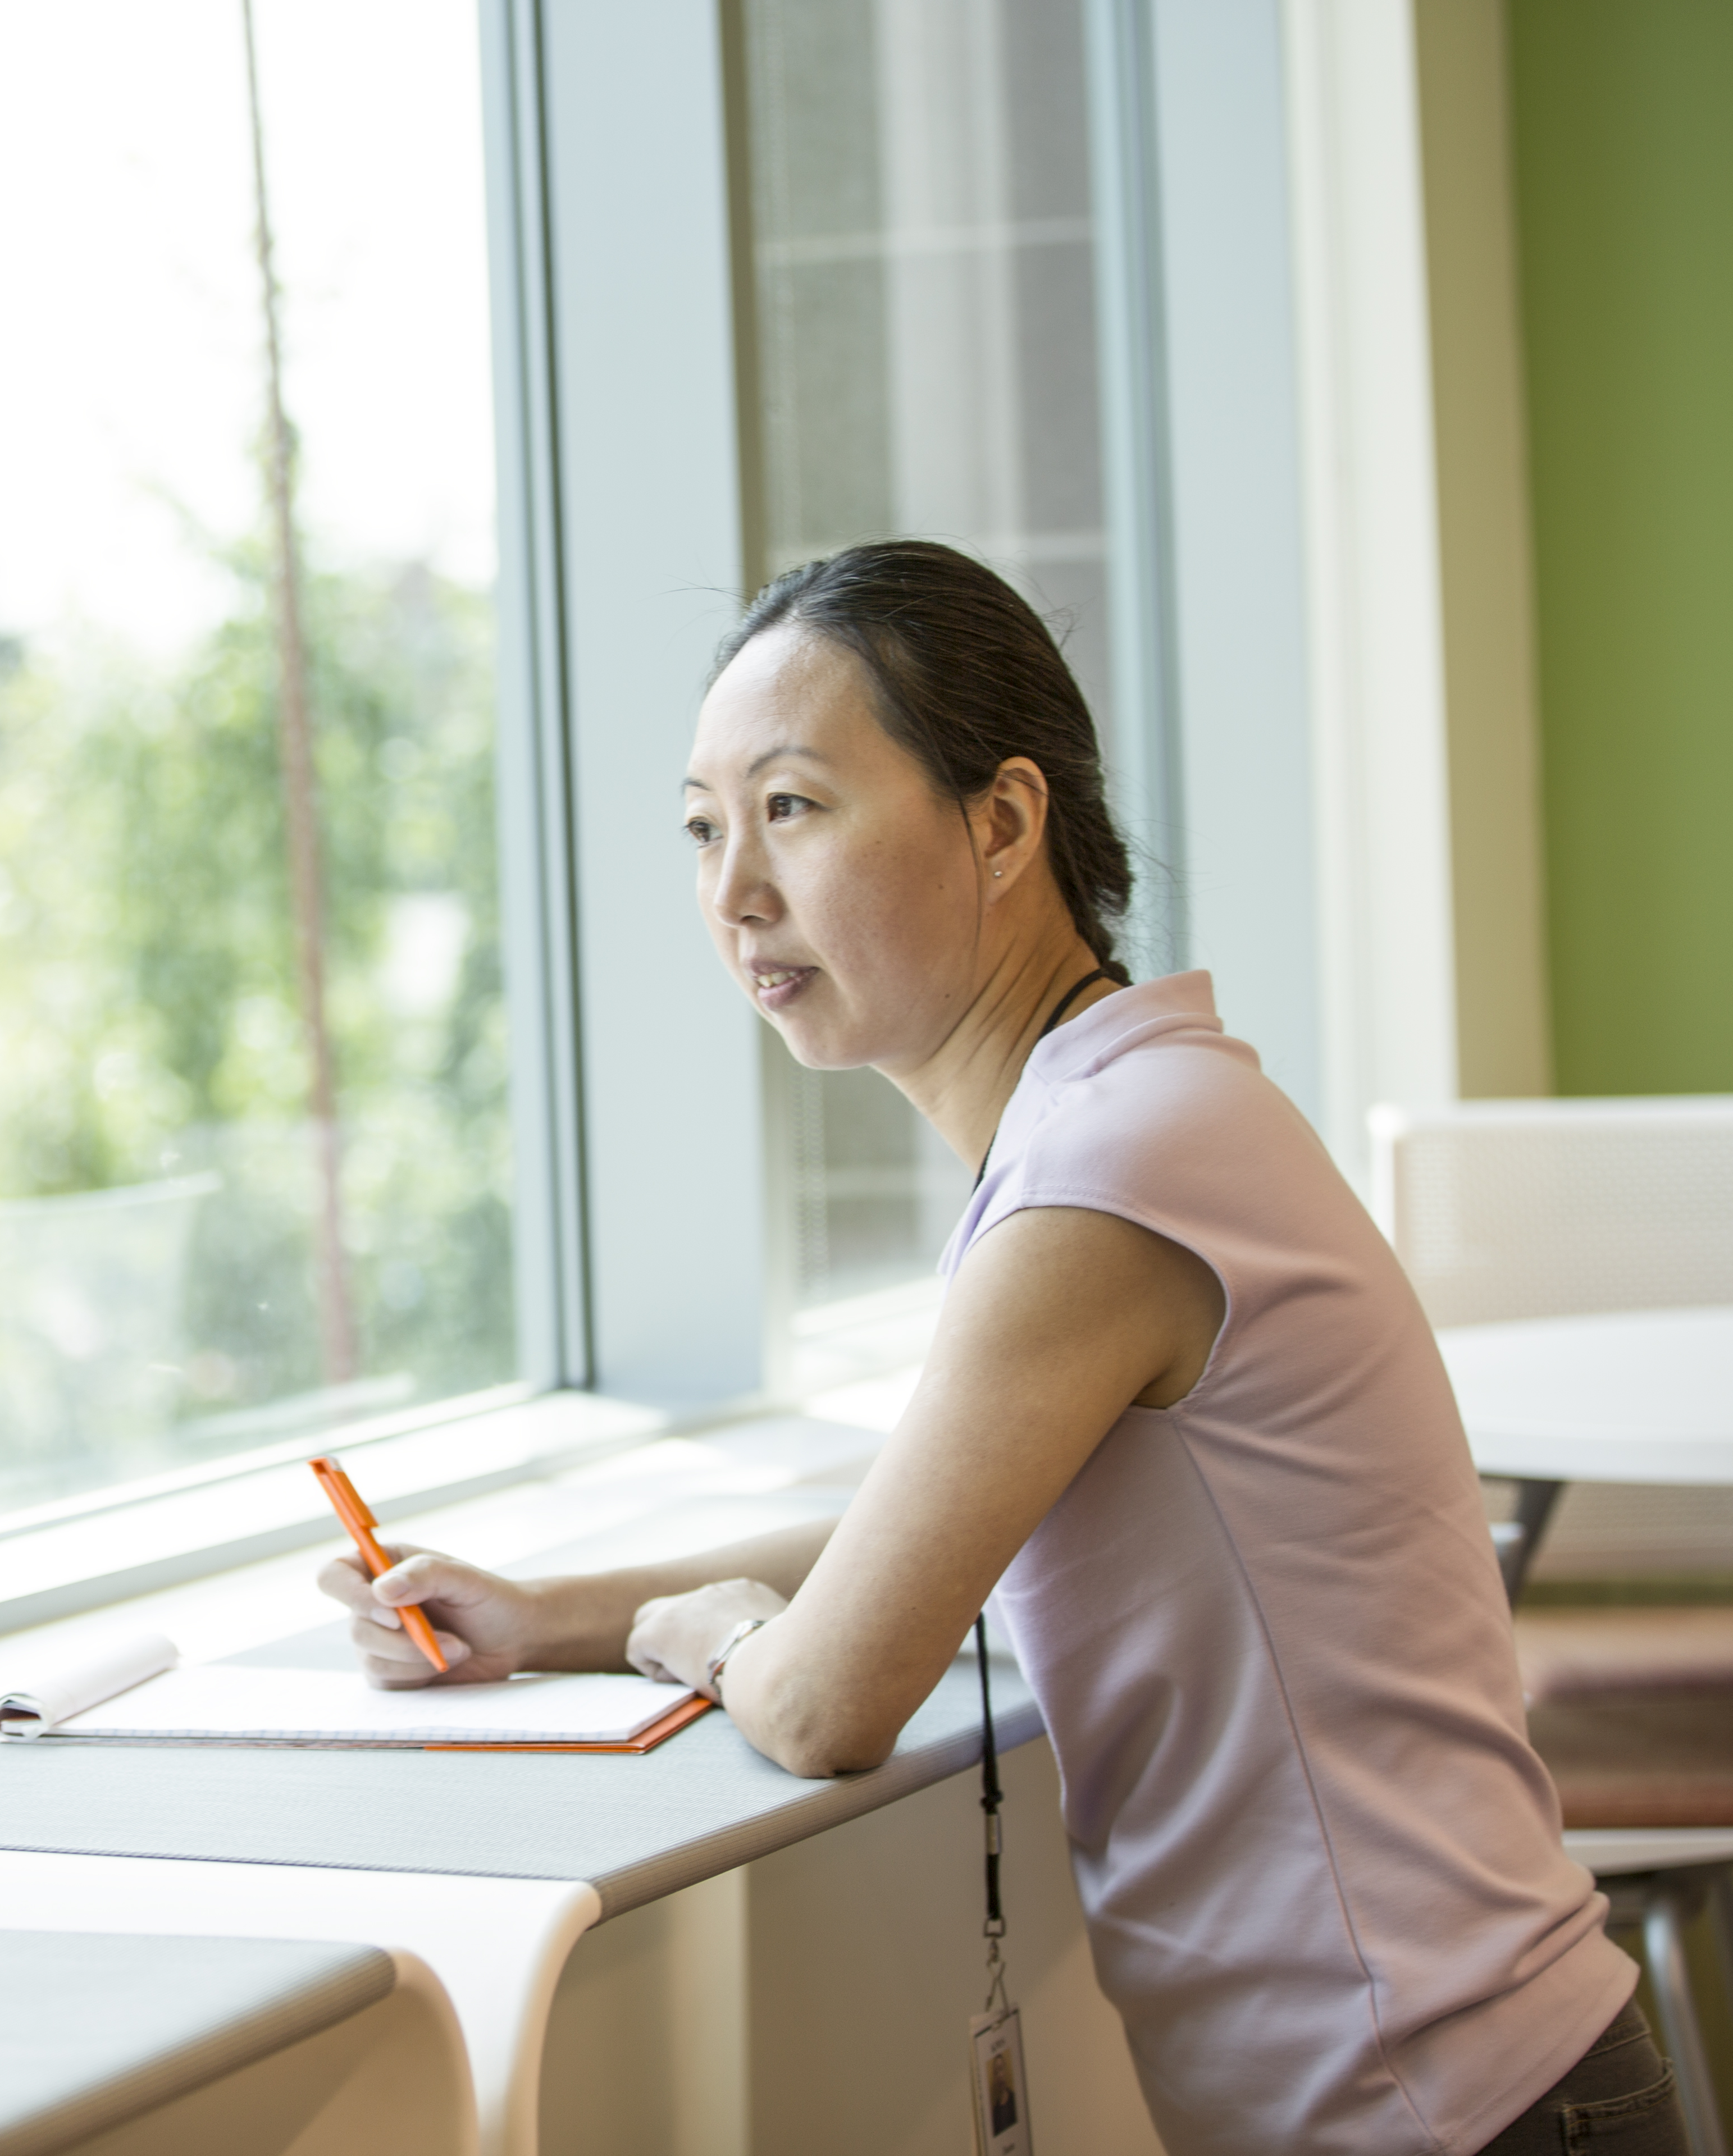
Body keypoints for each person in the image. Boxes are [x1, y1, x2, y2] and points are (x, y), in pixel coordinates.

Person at [321, 541, 1689, 2156]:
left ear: (1003, 822)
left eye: (795, 808)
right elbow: (928, 1524)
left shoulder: (1115, 1169)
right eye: (703, 828)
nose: (735, 892)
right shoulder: (1124, 1118)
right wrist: (549, 1614)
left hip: (1460, 2113)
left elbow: (829, 1693)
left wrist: (705, 1633)